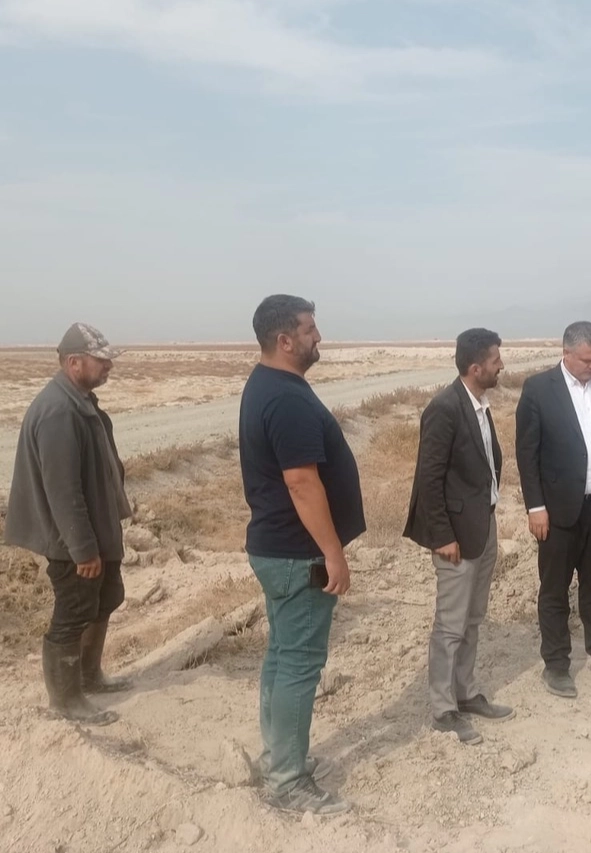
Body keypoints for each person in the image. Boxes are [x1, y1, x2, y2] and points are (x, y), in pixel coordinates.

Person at [239, 294, 365, 816]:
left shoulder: (267, 383)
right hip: (299, 554)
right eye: (311, 330)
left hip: (278, 548)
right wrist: (332, 552)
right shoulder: (286, 398)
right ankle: (288, 783)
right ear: (285, 340)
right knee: (299, 664)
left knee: (281, 655)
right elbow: (301, 482)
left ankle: (278, 759)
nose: (319, 337)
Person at [5, 322, 133, 727]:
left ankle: (89, 677)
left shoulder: (79, 401)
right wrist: (83, 549)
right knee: (74, 610)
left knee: (105, 598)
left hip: (94, 530)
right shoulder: (59, 411)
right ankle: (66, 699)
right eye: (101, 360)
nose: (109, 366)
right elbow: (62, 491)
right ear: (74, 362)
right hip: (71, 539)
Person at [515, 320, 591, 699]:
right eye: (587, 360)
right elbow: (527, 454)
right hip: (557, 512)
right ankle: (556, 665)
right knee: (554, 589)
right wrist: (536, 507)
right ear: (566, 353)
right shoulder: (539, 389)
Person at [404, 328, 515, 745]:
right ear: (475, 367)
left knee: (473, 618)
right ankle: (442, 708)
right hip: (455, 536)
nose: (501, 366)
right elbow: (428, 480)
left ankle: (466, 693)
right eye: (495, 360)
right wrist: (442, 536)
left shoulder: (480, 405)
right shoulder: (444, 409)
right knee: (451, 625)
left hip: (483, 527)